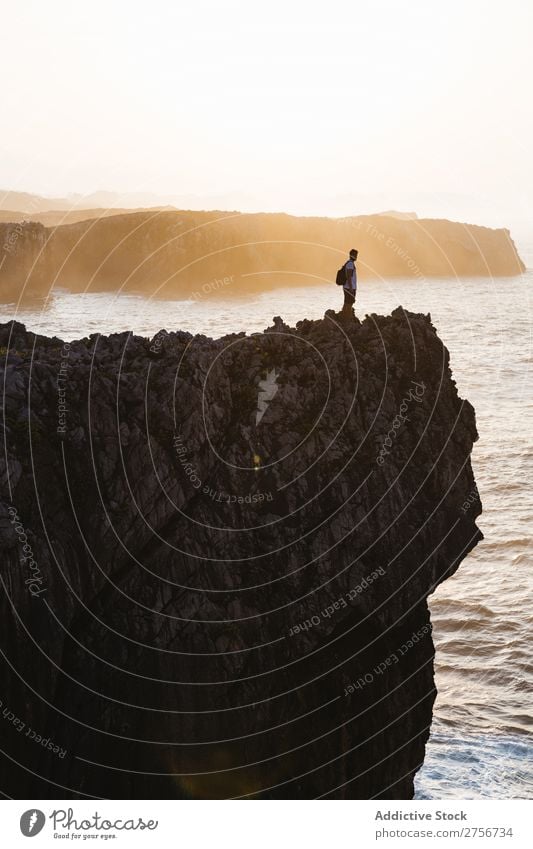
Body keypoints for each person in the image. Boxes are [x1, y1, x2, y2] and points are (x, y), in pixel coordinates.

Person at [342, 248, 358, 314]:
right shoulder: (350, 264)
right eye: (355, 255)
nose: (356, 257)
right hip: (349, 288)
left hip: (348, 287)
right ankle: (346, 317)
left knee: (348, 303)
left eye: (356, 255)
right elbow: (349, 276)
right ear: (351, 255)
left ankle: (345, 316)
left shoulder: (349, 263)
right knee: (349, 303)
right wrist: (351, 288)